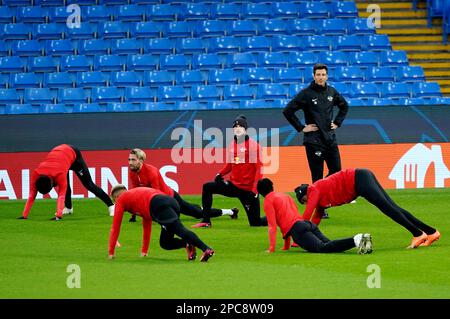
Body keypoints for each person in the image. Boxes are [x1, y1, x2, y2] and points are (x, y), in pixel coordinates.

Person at [294, 168, 441, 249]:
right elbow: (315, 220)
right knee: (393, 207)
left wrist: (297, 235)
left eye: (304, 201)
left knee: (389, 209)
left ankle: (417, 234)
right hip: (361, 179)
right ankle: (431, 232)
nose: (306, 203)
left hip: (359, 180)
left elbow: (306, 216)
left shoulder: (313, 189)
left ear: (305, 195)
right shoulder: (320, 201)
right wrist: (307, 235)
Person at [283, 63, 349, 218]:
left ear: (327, 76)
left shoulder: (332, 91)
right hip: (314, 140)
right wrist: (301, 127)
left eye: (323, 74)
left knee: (337, 171)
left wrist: (338, 122)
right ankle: (321, 207)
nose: (320, 77)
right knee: (317, 176)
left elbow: (344, 106)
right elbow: (288, 111)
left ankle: (307, 191)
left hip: (330, 139)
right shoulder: (306, 93)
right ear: (313, 76)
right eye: (318, 75)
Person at [257, 178, 372, 254]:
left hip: (298, 230)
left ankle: (356, 240)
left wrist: (271, 248)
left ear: (260, 192)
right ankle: (362, 241)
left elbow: (273, 226)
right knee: (329, 246)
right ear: (272, 187)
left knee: (322, 248)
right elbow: (287, 220)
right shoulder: (284, 195)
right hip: (307, 224)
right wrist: (286, 246)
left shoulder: (268, 201)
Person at [193, 115, 267, 228]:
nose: (238, 128)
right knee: (207, 187)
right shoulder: (232, 144)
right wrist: (220, 174)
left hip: (247, 190)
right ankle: (206, 221)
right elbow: (231, 164)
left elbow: (259, 169)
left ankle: (277, 217)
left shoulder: (253, 146)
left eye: (241, 126)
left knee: (255, 223)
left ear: (245, 129)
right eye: (235, 126)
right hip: (233, 186)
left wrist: (254, 190)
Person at [127, 148, 238, 223]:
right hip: (161, 198)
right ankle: (227, 211)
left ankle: (230, 211)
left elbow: (156, 194)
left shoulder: (151, 171)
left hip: (169, 198)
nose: (130, 162)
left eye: (133, 160)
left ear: (141, 160)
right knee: (193, 208)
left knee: (198, 213)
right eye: (129, 159)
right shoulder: (132, 172)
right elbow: (136, 192)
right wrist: (134, 214)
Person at [108, 184, 214, 262]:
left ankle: (206, 249)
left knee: (180, 230)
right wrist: (144, 251)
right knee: (165, 242)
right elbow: (147, 225)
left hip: (158, 205)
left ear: (117, 197)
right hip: (170, 201)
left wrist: (111, 253)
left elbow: (115, 227)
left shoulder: (121, 199)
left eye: (114, 201)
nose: (116, 204)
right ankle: (187, 244)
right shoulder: (135, 198)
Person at [18, 144, 114, 220]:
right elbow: (32, 195)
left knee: (89, 185)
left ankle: (111, 206)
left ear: (52, 185)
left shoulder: (59, 174)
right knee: (66, 186)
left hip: (73, 156)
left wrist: (58, 215)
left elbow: (61, 195)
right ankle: (68, 208)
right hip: (61, 159)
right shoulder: (36, 174)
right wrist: (24, 215)